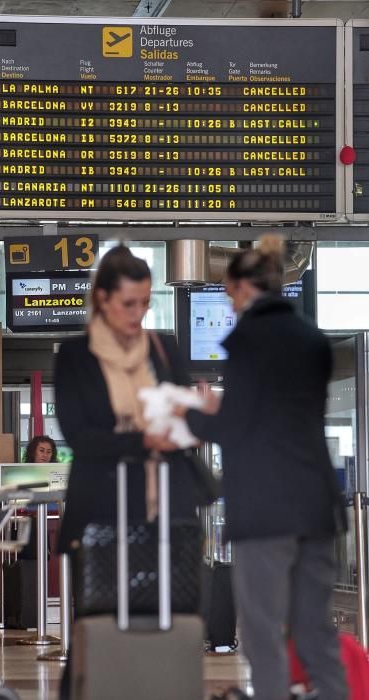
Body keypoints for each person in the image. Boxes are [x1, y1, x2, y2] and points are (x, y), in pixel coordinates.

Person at [177, 235, 348, 700]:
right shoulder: (313, 337)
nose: (230, 306)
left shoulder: (249, 339)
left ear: (244, 288)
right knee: (315, 632)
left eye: (229, 294)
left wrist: (196, 414)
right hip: (316, 507)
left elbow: (235, 428)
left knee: (262, 634)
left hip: (265, 511)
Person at [54, 244, 202, 699]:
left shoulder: (164, 348)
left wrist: (197, 415)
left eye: (145, 302)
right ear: (102, 299)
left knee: (171, 620)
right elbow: (80, 435)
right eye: (128, 303)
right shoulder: (76, 355)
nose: (138, 314)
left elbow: (185, 417)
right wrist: (142, 439)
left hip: (167, 513)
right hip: (102, 513)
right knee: (96, 624)